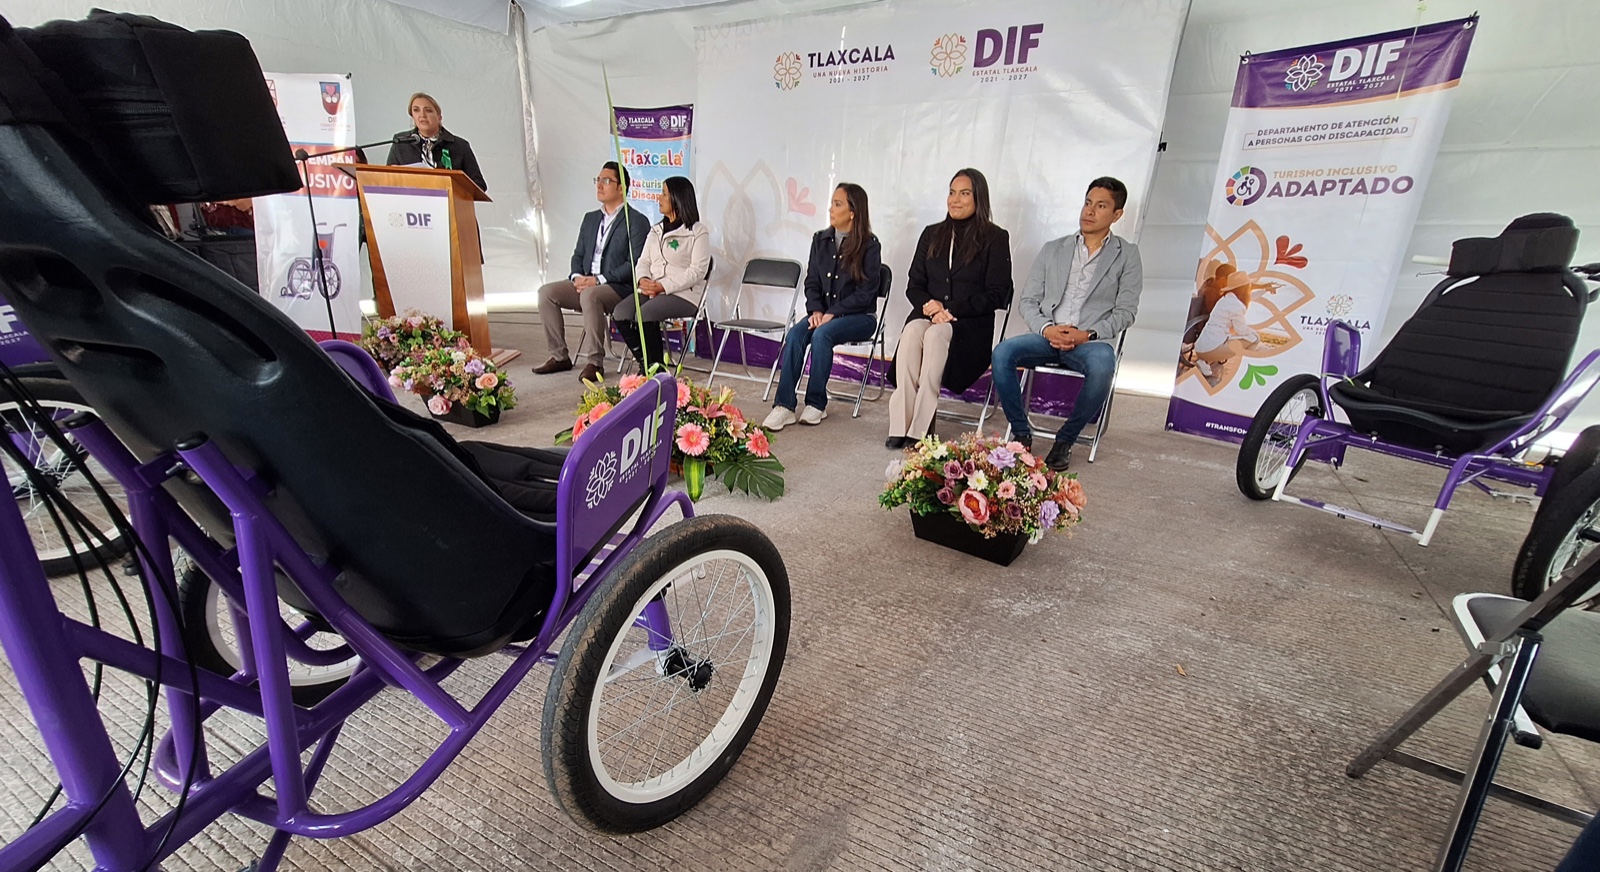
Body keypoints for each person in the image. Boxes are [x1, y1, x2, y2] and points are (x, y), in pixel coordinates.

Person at [991, 176, 1143, 471]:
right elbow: (1028, 300)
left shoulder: (1127, 255)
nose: (1090, 211)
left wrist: (1087, 334)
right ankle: (1021, 434)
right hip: (1046, 334)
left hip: (1090, 341)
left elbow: (1126, 311)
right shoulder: (1053, 249)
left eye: (1101, 206)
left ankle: (1065, 440)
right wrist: (1047, 328)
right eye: (1088, 203)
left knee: (1103, 367)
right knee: (1002, 353)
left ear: (1117, 215)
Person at [886, 168, 1013, 449]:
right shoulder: (932, 234)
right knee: (912, 331)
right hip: (929, 316)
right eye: (952, 192)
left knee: (935, 334)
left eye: (964, 193)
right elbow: (914, 285)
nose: (955, 199)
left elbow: (997, 294)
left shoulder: (995, 238)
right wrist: (933, 309)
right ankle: (899, 424)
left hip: (969, 328)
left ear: (979, 198)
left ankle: (920, 429)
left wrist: (950, 310)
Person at [762, 183, 882, 430]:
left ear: (853, 212)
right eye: (832, 203)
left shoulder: (870, 245)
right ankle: (784, 406)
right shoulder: (820, 239)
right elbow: (812, 281)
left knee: (822, 335)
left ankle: (816, 403)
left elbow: (866, 293)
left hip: (860, 317)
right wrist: (816, 310)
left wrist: (833, 313)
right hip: (824, 314)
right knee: (796, 334)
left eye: (837, 204)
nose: (830, 209)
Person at [534, 162, 650, 382]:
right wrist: (577, 277)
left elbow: (635, 264)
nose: (599, 185)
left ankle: (595, 362)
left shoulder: (636, 221)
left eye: (606, 181)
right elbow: (578, 254)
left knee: (590, 295)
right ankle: (559, 356)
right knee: (546, 293)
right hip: (587, 283)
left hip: (617, 288)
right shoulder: (590, 219)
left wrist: (598, 280)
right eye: (598, 180)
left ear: (622, 188)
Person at [614, 176, 711, 371]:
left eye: (664, 194)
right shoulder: (656, 230)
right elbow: (643, 261)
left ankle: (655, 369)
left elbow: (697, 271)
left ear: (678, 198)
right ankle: (648, 364)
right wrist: (643, 279)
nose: (659, 198)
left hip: (683, 294)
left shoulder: (698, 232)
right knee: (621, 312)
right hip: (653, 289)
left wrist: (663, 286)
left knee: (646, 314)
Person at [386, 92, 486, 192]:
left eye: (428, 110)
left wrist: (453, 186)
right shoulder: (401, 142)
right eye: (416, 110)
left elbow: (479, 185)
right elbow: (387, 179)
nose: (422, 115)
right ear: (412, 117)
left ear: (439, 117)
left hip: (448, 200)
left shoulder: (460, 145)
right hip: (410, 200)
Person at [1191, 270, 1259, 383]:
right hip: (1210, 351)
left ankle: (1203, 362)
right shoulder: (1237, 306)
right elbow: (1241, 330)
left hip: (1200, 348)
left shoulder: (1225, 299)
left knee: (1240, 335)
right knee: (1255, 338)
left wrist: (1265, 290)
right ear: (1245, 288)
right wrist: (1253, 331)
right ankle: (1245, 367)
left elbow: (1251, 297)